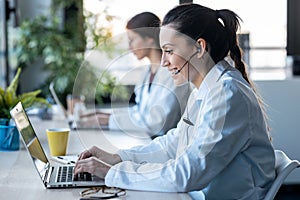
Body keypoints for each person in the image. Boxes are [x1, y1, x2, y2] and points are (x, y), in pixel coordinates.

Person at [75, 4, 275, 199]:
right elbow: (173, 144)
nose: (163, 62)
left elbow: (187, 174)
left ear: (199, 47)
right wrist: (118, 158)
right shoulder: (204, 88)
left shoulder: (227, 94)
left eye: (169, 51)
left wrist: (114, 173)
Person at [92, 12, 190, 137]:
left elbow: (158, 124)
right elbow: (140, 112)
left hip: (165, 145)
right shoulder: (146, 72)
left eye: (132, 40)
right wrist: (107, 116)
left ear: (149, 40)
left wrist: (110, 120)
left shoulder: (173, 73)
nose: (129, 47)